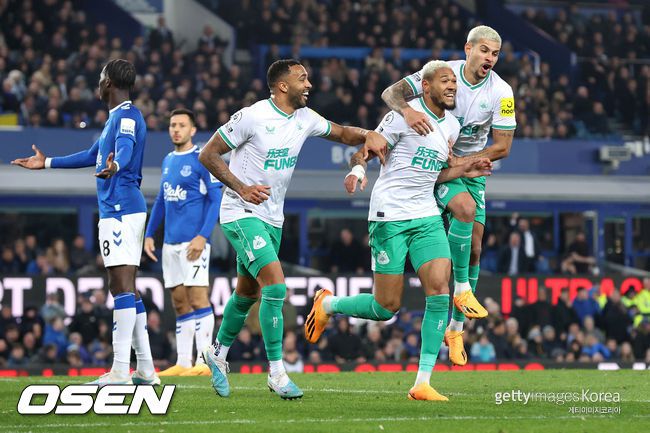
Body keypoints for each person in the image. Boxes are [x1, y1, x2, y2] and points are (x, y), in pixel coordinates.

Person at [198, 59, 386, 400]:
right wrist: (241, 188)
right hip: (241, 212)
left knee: (247, 294)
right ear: (283, 86)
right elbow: (208, 154)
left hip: (273, 218)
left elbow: (343, 133)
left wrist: (368, 134)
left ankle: (217, 353)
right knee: (275, 286)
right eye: (302, 79)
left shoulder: (305, 118)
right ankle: (277, 372)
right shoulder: (252, 116)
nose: (309, 84)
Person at [305, 60, 492, 401]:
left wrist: (468, 166)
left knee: (439, 291)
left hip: (426, 216)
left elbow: (436, 173)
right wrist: (358, 171)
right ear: (426, 87)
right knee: (385, 307)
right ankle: (328, 304)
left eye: (454, 82)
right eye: (445, 81)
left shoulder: (451, 126)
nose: (452, 86)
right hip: (389, 216)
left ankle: (422, 382)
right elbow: (363, 151)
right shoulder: (400, 118)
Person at [11, 59, 159, 386]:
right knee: (126, 287)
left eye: (101, 78)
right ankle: (146, 369)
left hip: (121, 207)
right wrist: (46, 162)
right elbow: (92, 155)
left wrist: (116, 165)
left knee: (120, 285)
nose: (98, 83)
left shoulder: (126, 118)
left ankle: (120, 369)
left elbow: (125, 148)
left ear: (108, 83)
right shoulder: (116, 118)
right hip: (119, 207)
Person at [381, 25, 516, 366]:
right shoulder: (444, 74)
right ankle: (462, 290)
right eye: (484, 50)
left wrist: (466, 162)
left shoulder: (502, 92)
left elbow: (503, 146)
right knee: (464, 209)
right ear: (468, 49)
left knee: (476, 247)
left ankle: (456, 329)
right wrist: (408, 111)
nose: (489, 58)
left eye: (495, 54)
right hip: (437, 165)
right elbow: (391, 93)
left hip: (471, 166)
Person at [144, 108, 223, 377]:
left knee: (198, 298)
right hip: (170, 244)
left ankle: (205, 361)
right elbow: (162, 200)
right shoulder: (167, 160)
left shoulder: (203, 159)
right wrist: (149, 234)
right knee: (179, 301)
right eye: (172, 125)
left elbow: (215, 199)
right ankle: (183, 362)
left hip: (194, 243)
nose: (176, 129)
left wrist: (202, 236)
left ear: (192, 130)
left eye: (181, 125)